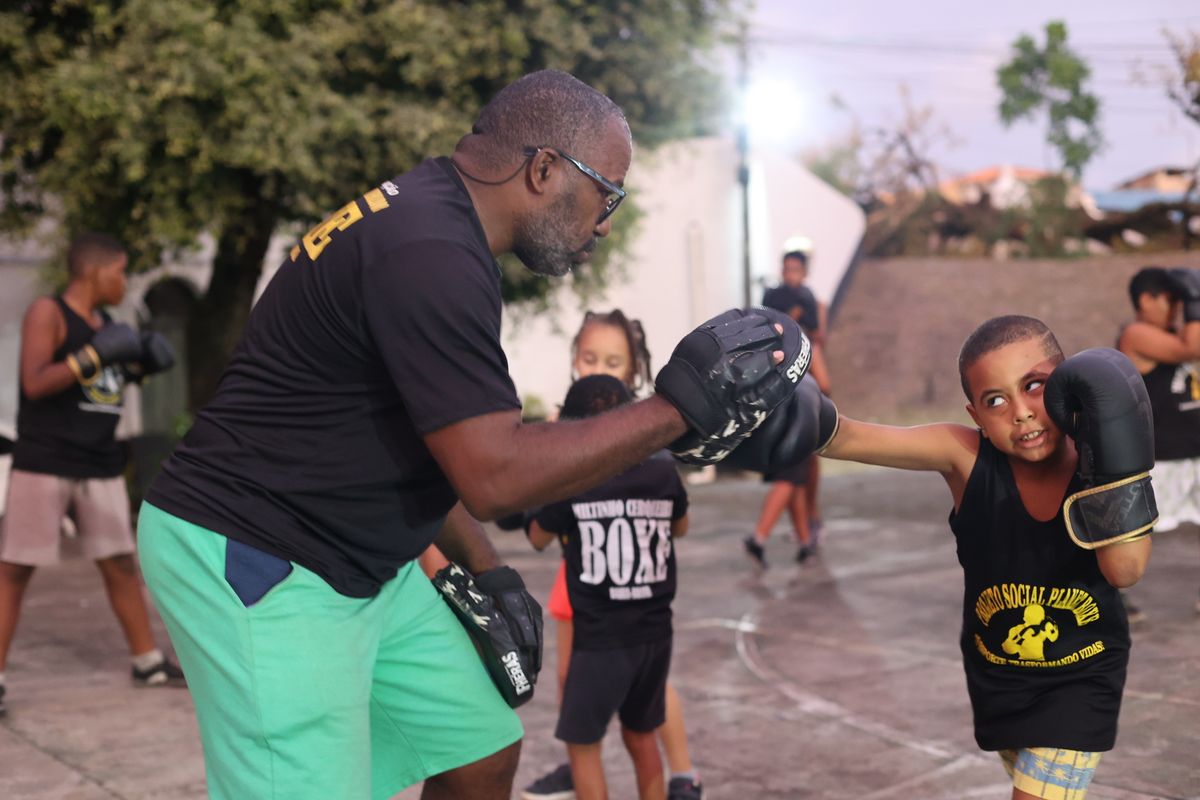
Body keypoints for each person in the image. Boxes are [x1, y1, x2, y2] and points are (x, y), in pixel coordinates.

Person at [134, 69, 808, 800]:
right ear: (545, 169)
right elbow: (495, 475)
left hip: (359, 560)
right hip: (258, 554)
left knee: (478, 751)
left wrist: (486, 569)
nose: (606, 221)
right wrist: (680, 407)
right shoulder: (429, 249)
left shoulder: (435, 225)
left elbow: (436, 440)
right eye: (607, 193)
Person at [730, 315, 1153, 799]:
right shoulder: (965, 457)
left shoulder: (1095, 459)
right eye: (996, 400)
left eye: (1034, 386)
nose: (1020, 412)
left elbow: (1125, 570)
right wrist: (786, 398)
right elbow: (847, 436)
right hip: (1000, 679)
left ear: (1065, 384)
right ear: (975, 414)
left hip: (1083, 677)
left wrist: (1118, 467)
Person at [0, 232, 183, 718]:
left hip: (99, 461)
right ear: (96, 271)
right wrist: (95, 355)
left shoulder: (106, 323)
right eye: (121, 271)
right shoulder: (49, 312)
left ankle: (147, 662)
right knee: (14, 570)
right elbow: (35, 382)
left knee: (121, 563)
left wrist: (139, 366)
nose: (124, 282)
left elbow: (103, 383)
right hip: (46, 459)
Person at [523, 311, 703, 800]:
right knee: (640, 734)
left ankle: (673, 773)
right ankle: (674, 779)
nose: (599, 365)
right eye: (590, 357)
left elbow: (537, 536)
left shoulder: (575, 477)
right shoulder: (663, 471)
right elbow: (680, 526)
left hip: (601, 635)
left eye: (612, 359)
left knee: (582, 744)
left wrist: (533, 505)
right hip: (651, 630)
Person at [1117, 266, 1200, 614]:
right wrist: (1196, 299)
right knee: (1130, 533)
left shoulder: (1179, 332)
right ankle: (1108, 595)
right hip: (1160, 457)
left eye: (1181, 299)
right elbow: (1190, 347)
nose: (1178, 306)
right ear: (1146, 300)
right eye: (1171, 299)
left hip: (1195, 452)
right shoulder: (1135, 335)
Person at [744, 242, 832, 568]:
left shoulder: (806, 308)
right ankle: (760, 536)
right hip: (792, 408)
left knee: (796, 476)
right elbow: (824, 384)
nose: (791, 275)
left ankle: (806, 538)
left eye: (797, 269)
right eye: (788, 269)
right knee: (790, 476)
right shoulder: (792, 343)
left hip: (790, 404)